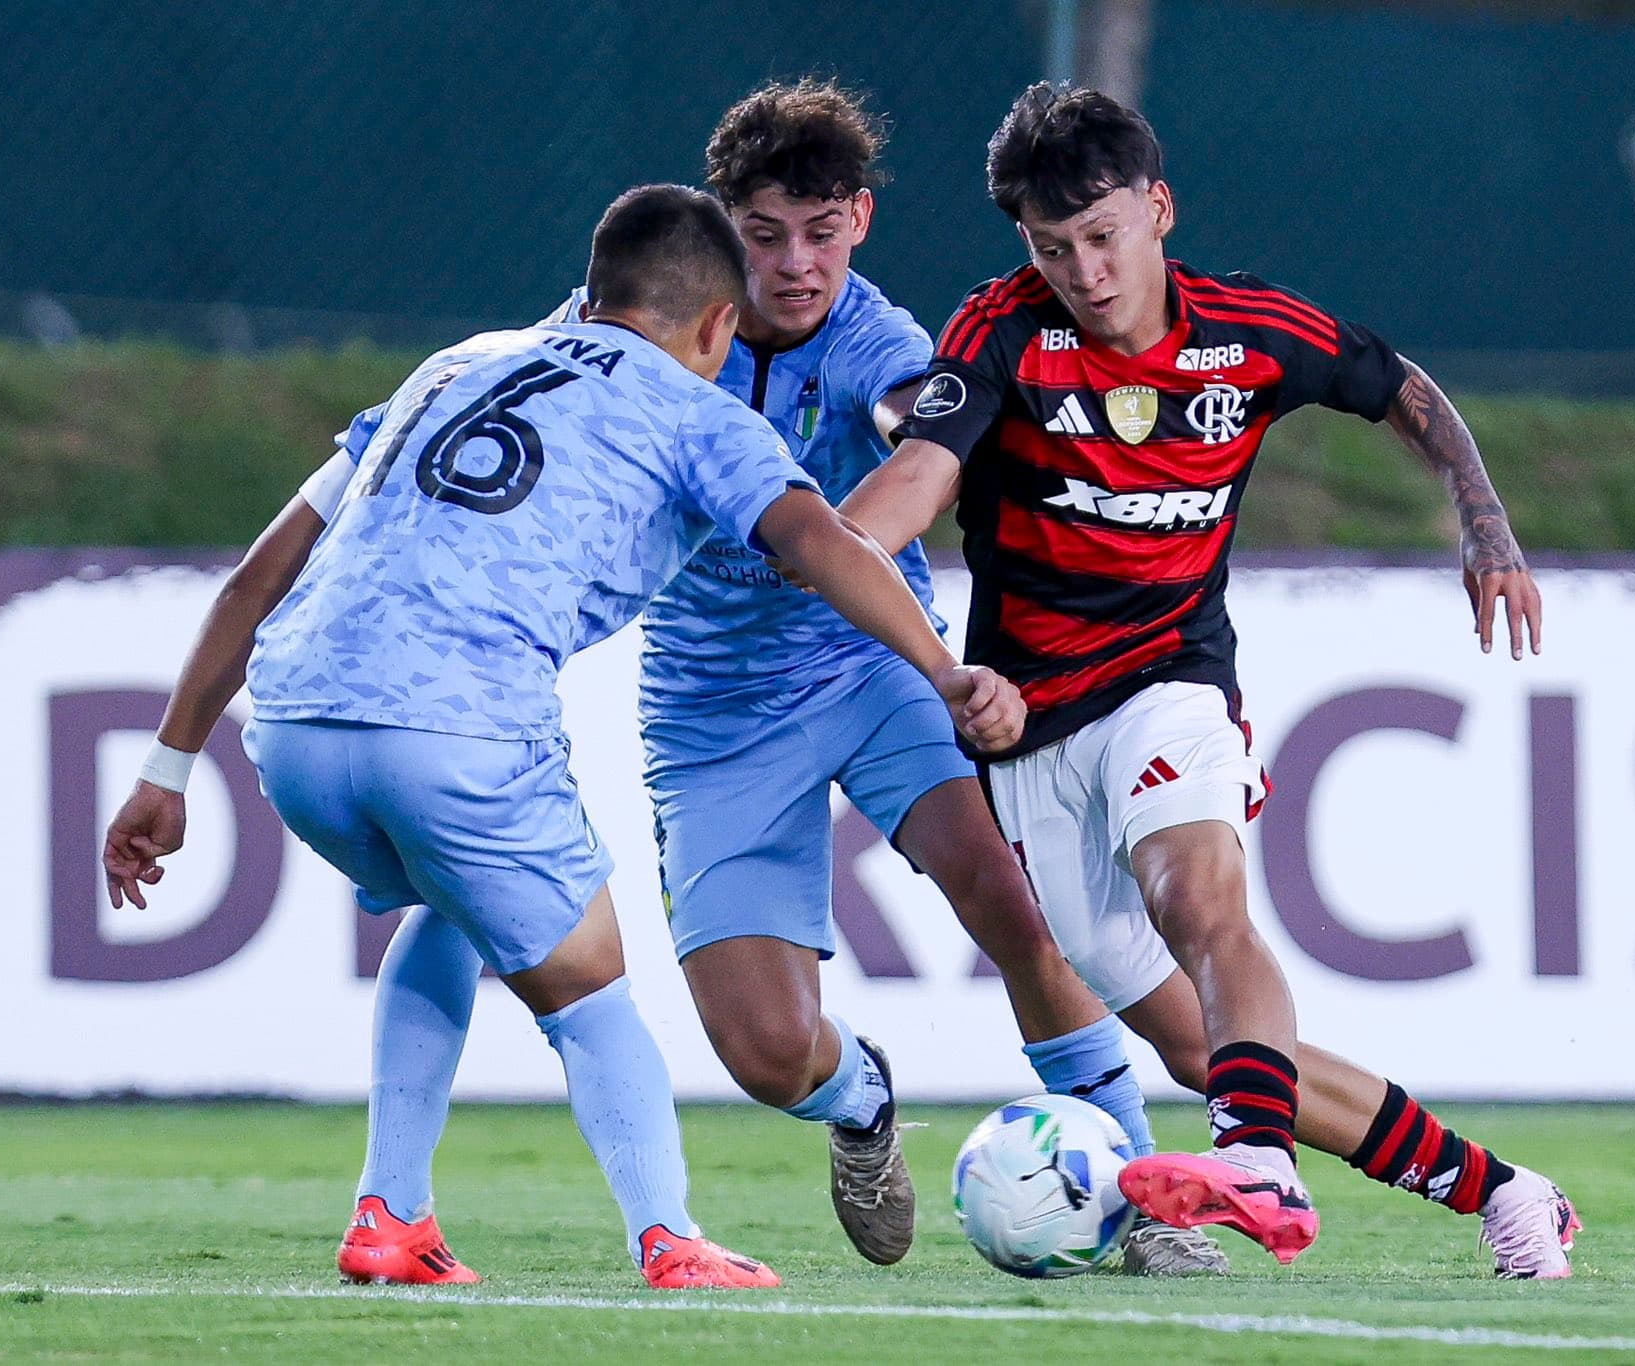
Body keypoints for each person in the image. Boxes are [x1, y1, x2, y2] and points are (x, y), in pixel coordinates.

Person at [312, 79, 1226, 1278]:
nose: (795, 264)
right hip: (711, 711)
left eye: (821, 230)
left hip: (876, 671)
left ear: (859, 220)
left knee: (1014, 902)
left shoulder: (883, 346)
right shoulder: (628, 331)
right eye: (763, 234)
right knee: (763, 1050)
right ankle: (859, 1102)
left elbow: (925, 422)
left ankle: (1140, 1193)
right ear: (718, 229)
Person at [100, 184, 1026, 1290]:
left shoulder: (454, 363)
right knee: (587, 986)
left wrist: (166, 766)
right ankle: (669, 1237)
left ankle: (390, 1214)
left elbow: (263, 568)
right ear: (718, 326)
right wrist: (942, 665)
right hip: (452, 726)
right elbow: (821, 544)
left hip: (292, 722)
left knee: (449, 907)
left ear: (591, 295)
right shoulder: (698, 411)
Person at [840, 82, 1579, 1279]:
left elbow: (1401, 389)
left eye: (1101, 235)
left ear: (1157, 209)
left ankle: (1251, 1157)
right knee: (1201, 1047)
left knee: (1199, 900)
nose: (1081, 269)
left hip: (1171, 681)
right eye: (1049, 246)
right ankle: (1507, 1191)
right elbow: (918, 477)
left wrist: (1482, 518)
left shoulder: (1249, 332)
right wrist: (837, 541)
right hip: (1028, 730)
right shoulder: (999, 332)